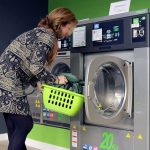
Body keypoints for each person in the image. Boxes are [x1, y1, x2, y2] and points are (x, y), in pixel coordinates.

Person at [0, 7, 77, 150]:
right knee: (25, 124)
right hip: (10, 80)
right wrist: (56, 79)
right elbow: (36, 66)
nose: (69, 34)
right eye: (70, 28)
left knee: (14, 127)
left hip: (4, 77)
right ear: (61, 24)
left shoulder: (40, 32)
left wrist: (37, 83)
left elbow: (28, 64)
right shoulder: (48, 36)